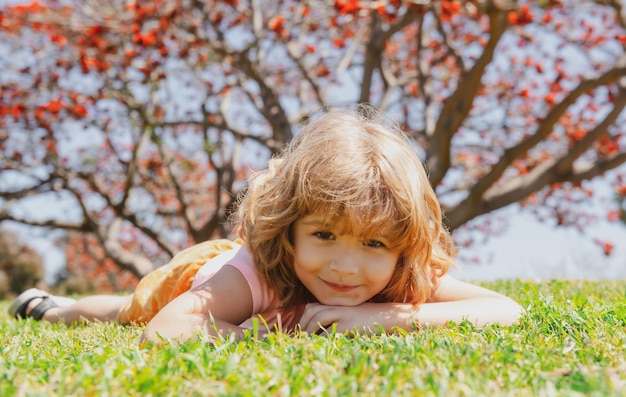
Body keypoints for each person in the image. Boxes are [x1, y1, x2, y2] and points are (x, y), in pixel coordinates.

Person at [9, 107, 524, 344]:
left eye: (373, 243)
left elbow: (505, 310)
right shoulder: (252, 274)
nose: (346, 266)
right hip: (195, 278)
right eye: (324, 235)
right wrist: (267, 336)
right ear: (290, 231)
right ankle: (57, 310)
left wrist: (389, 318)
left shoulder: (399, 275)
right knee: (129, 311)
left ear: (402, 248)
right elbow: (170, 327)